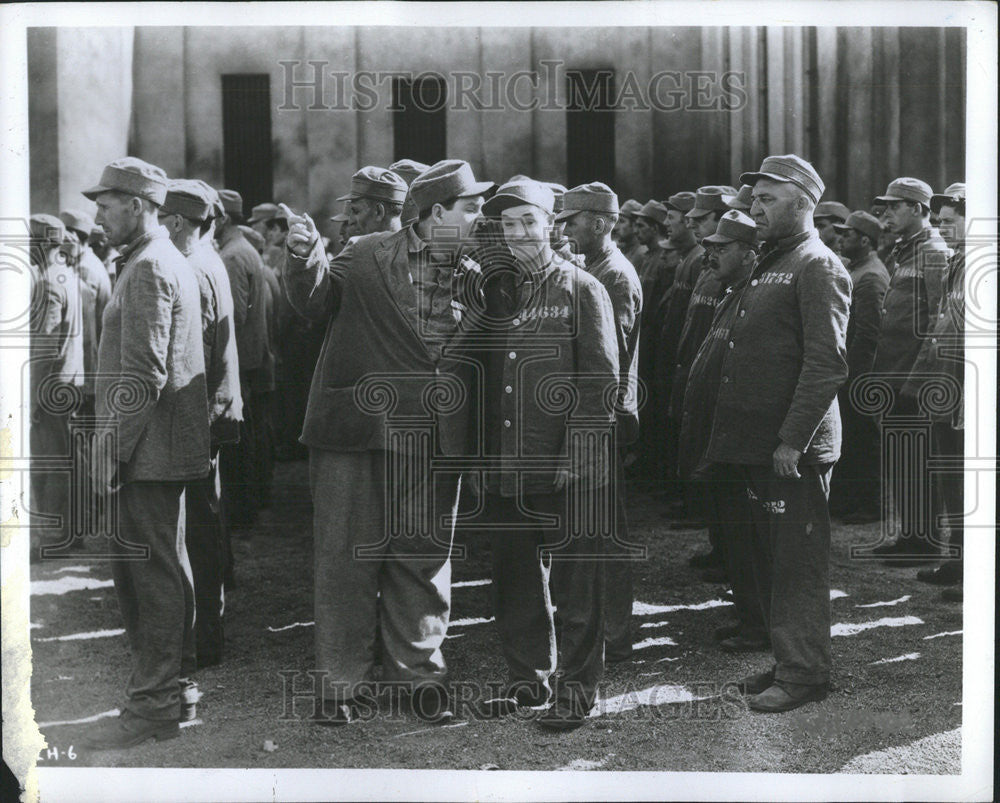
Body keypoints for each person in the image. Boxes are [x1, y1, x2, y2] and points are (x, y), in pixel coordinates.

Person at [282, 159, 494, 725]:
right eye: (471, 207)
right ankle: (339, 686)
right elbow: (315, 304)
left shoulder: (477, 270)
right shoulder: (368, 251)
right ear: (437, 212)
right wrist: (305, 258)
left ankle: (419, 679)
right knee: (347, 560)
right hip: (356, 433)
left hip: (433, 439)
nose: (480, 217)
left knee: (423, 563)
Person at [464, 178, 618, 732]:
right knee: (514, 578)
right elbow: (489, 382)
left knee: (577, 585)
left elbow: (601, 384)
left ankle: (576, 692)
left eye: (528, 222)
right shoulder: (499, 292)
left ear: (551, 225)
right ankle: (528, 679)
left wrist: (578, 456)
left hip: (565, 465)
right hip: (511, 461)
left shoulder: (581, 288)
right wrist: (485, 461)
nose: (519, 234)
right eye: (508, 226)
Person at [707, 154, 850, 713]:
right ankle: (792, 657)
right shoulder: (775, 261)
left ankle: (806, 673)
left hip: (795, 450)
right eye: (755, 198)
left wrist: (793, 439)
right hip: (765, 448)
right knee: (772, 558)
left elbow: (826, 363)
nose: (754, 208)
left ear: (803, 202)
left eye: (767, 198)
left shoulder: (818, 265)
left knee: (797, 564)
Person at [80, 158, 210, 749]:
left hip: (147, 453)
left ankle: (154, 702)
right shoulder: (157, 260)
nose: (99, 215)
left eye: (106, 205)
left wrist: (111, 452)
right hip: (158, 450)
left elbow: (143, 375)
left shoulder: (152, 266)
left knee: (148, 576)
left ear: (137, 205)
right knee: (164, 567)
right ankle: (171, 690)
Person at [159, 179, 243, 668]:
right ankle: (208, 632)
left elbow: (197, 357)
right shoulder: (208, 260)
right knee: (207, 527)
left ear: (175, 222)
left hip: (199, 417)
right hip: (212, 412)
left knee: (198, 533)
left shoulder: (192, 267)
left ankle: (205, 639)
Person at [558, 182, 642, 664]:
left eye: (572, 221)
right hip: (598, 413)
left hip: (605, 415)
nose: (565, 229)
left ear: (600, 223)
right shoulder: (593, 268)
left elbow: (615, 354)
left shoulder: (613, 275)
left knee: (606, 529)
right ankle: (606, 626)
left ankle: (614, 632)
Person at [679, 209, 766, 651]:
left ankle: (759, 624)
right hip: (722, 433)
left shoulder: (753, 293)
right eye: (709, 247)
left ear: (750, 254)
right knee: (736, 535)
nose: (710, 254)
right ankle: (750, 616)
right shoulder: (731, 289)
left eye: (721, 248)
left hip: (743, 436)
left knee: (751, 537)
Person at [869, 178, 951, 563]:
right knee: (903, 461)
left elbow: (939, 319)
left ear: (919, 209)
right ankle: (912, 535)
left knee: (916, 462)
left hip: (911, 381)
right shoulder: (904, 252)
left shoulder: (933, 252)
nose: (885, 213)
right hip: (893, 375)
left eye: (894, 206)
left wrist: (918, 381)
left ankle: (924, 541)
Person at [905, 183, 966, 591]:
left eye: (951, 222)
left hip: (963, 390)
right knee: (951, 479)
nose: (943, 229)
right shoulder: (959, 261)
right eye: (939, 222)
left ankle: (970, 571)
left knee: (966, 482)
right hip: (945, 385)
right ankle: (958, 562)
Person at [828, 211, 890, 522]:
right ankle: (851, 500)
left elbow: (868, 333)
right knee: (852, 438)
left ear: (865, 240)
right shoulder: (860, 271)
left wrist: (854, 377)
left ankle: (869, 505)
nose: (840, 239)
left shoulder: (871, 276)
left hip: (860, 374)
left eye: (847, 235)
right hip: (852, 370)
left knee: (863, 439)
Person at [28, 214, 84, 560]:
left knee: (50, 465)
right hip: (70, 380)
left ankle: (51, 538)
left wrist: (31, 397)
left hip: (52, 386)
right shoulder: (67, 275)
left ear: (41, 245)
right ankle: (71, 532)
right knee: (67, 460)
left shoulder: (49, 281)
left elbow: (46, 346)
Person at [215, 189, 270, 530]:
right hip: (251, 361)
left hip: (242, 364)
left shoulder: (233, 256)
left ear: (222, 218)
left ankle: (241, 515)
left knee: (238, 445)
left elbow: (231, 319)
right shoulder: (243, 250)